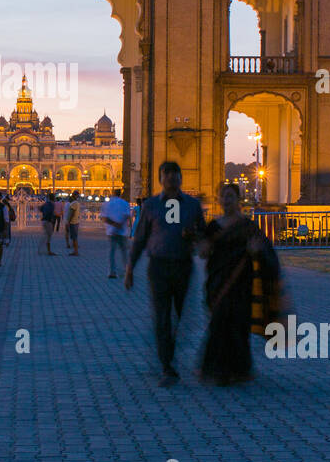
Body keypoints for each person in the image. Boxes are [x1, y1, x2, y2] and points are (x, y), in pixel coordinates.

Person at [126, 161, 206, 386]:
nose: (171, 178)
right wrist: (130, 267)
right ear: (160, 179)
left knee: (179, 317)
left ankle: (169, 354)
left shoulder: (192, 205)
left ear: (181, 178)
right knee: (162, 317)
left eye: (174, 174)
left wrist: (195, 237)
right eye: (166, 174)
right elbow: (140, 238)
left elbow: (203, 234)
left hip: (183, 265)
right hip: (158, 267)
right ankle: (167, 367)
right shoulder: (151, 205)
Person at [198, 183, 280, 385]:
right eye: (223, 196)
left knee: (238, 324)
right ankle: (218, 370)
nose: (226, 200)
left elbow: (266, 253)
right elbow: (203, 252)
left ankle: (238, 369)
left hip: (241, 284)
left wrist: (256, 250)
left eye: (230, 196)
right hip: (217, 283)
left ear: (238, 200)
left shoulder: (248, 227)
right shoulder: (213, 227)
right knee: (218, 324)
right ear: (219, 200)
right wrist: (202, 247)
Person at [100, 191, 132, 278]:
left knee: (111, 252)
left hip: (111, 232)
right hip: (123, 231)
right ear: (120, 194)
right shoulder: (125, 203)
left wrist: (114, 224)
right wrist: (120, 224)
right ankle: (127, 270)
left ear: (112, 194)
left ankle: (112, 272)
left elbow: (104, 218)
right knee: (124, 252)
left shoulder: (106, 204)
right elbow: (127, 216)